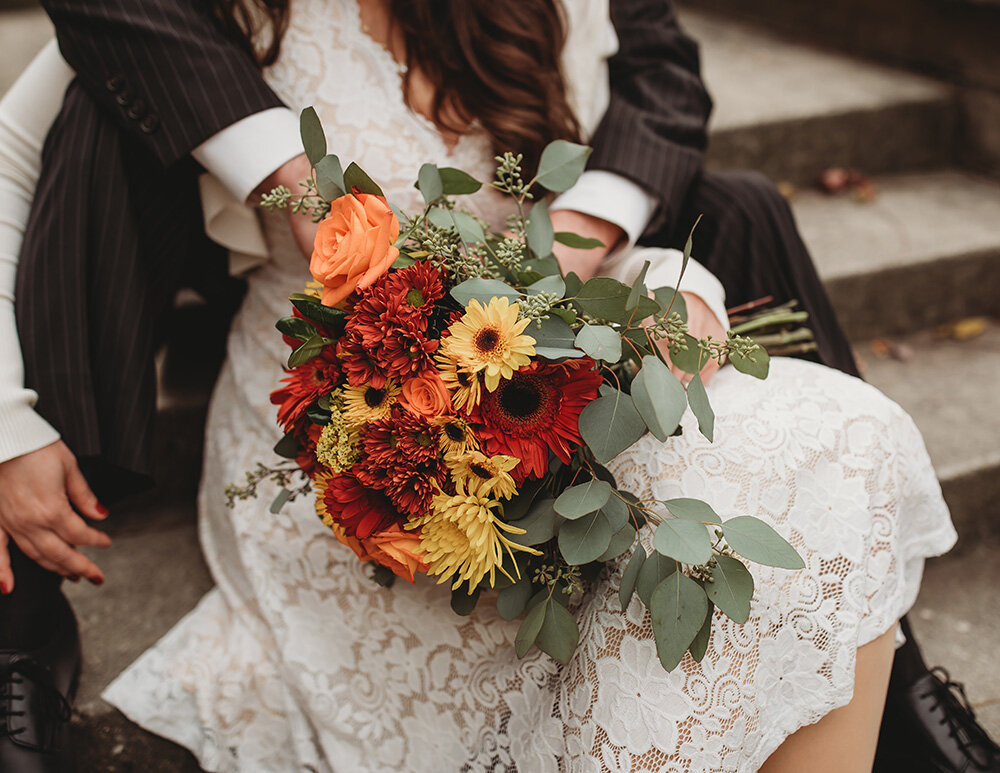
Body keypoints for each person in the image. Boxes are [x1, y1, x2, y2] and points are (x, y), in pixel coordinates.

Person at [0, 0, 982, 771]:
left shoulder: (540, 16)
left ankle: (873, 664)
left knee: (830, 436)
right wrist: (6, 420)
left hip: (552, 365)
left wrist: (645, 275)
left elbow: (655, 95)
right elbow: (15, 159)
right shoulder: (230, 15)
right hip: (329, 416)